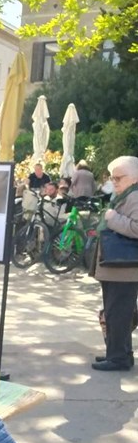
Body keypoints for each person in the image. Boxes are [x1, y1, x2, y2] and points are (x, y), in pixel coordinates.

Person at [89, 156, 138, 372]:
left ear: (135, 178)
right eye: (113, 177)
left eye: (119, 177)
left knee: (118, 314)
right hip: (116, 267)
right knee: (115, 312)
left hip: (124, 269)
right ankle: (120, 354)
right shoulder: (125, 195)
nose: (115, 181)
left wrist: (111, 218)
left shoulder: (135, 197)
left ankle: (118, 358)